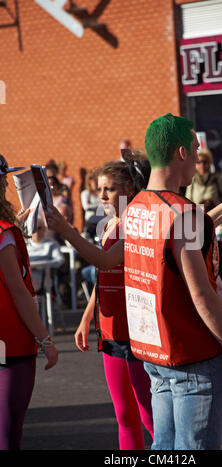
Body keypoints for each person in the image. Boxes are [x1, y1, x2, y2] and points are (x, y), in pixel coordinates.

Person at [46, 114, 222, 451]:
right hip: (193, 357)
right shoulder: (183, 213)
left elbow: (105, 260)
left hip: (154, 356)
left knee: (163, 447)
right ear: (182, 153)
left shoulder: (135, 209)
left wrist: (65, 230)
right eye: (195, 148)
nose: (198, 156)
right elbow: (202, 295)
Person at [75, 160, 154, 450]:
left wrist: (64, 229)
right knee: (124, 416)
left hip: (136, 330)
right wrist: (86, 316)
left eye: (110, 189)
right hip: (110, 331)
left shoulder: (138, 224)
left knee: (149, 415)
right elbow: (103, 273)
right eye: (100, 190)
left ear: (130, 188)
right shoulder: (108, 225)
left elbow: (104, 261)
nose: (103, 196)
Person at [0, 155, 58, 450]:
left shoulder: (7, 232)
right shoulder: (4, 234)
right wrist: (45, 340)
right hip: (9, 345)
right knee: (8, 435)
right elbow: (19, 294)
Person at [26, 218, 65, 292]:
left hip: (42, 276)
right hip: (26, 274)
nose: (36, 231)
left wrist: (43, 264)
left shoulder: (51, 244)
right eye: (33, 228)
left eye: (39, 228)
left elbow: (60, 261)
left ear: (44, 229)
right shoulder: (25, 245)